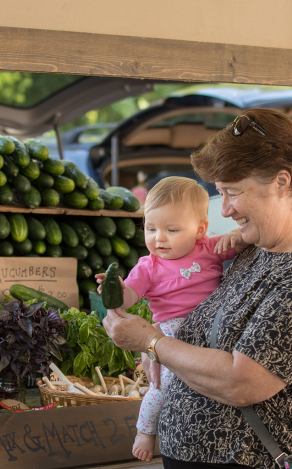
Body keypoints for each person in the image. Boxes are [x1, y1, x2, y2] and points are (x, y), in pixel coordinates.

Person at [103, 108, 292, 469]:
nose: (225, 208)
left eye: (232, 192)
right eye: (220, 192)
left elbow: (243, 382)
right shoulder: (259, 246)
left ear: (281, 183)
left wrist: (152, 342)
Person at [96, 176, 248, 462]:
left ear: (200, 229)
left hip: (213, 329)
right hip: (173, 332)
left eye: (172, 229)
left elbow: (243, 241)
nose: (158, 238)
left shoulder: (208, 248)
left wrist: (236, 236)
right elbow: (129, 296)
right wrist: (114, 287)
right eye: (150, 228)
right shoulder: (148, 266)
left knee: (216, 379)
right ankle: (145, 430)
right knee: (162, 386)